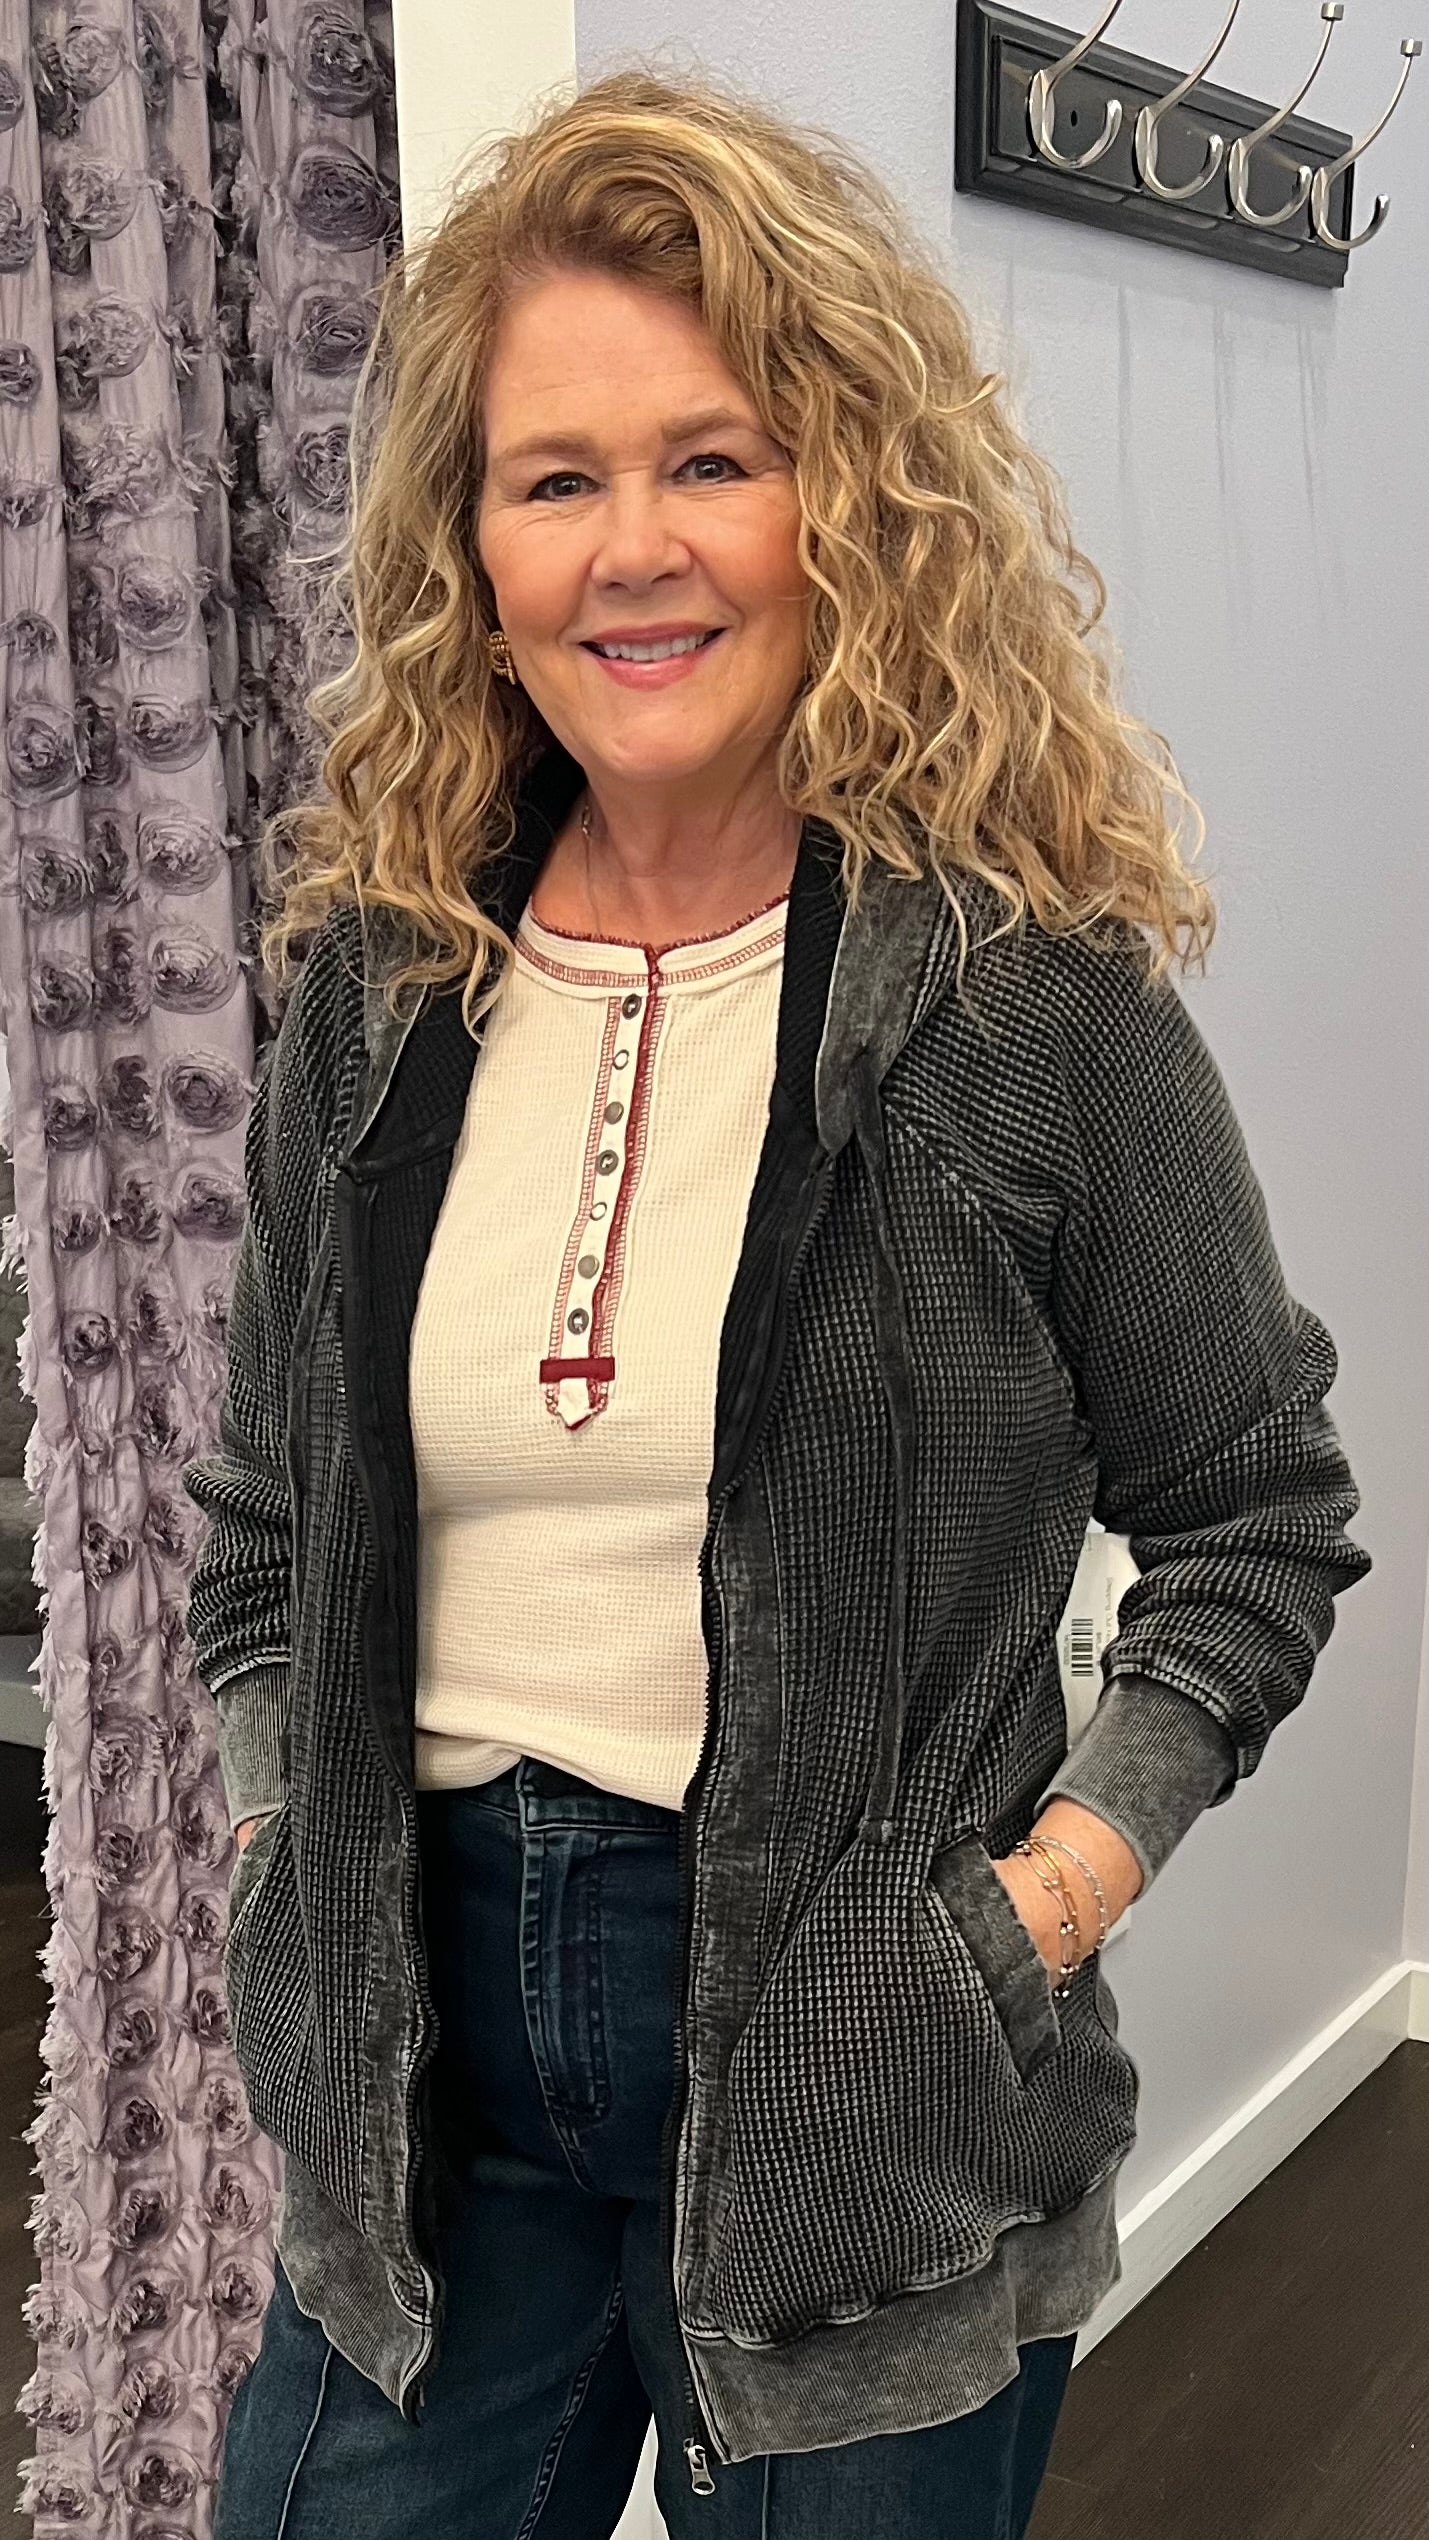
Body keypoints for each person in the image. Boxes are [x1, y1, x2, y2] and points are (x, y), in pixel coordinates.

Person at [180, 65, 1372, 2540]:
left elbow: (1253, 1518)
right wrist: (288, 1841)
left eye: (709, 460)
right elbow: (264, 1520)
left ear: (845, 497)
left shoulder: (1023, 1003)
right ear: (469, 547)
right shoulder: (380, 989)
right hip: (419, 2097)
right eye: (555, 478)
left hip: (867, 2115)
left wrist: (1032, 1912)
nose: (634, 550)